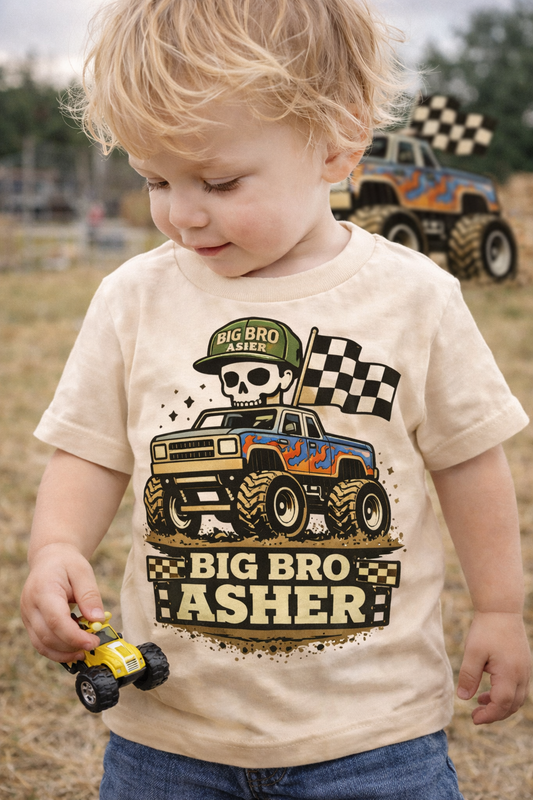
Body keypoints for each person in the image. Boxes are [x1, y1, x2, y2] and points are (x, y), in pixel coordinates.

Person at [21, 1, 530, 798]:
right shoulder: (133, 299)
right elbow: (88, 451)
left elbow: (469, 461)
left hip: (373, 737)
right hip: (170, 734)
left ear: (336, 142)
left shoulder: (411, 299)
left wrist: (498, 608)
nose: (182, 213)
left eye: (219, 181)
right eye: (155, 179)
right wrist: (56, 547)